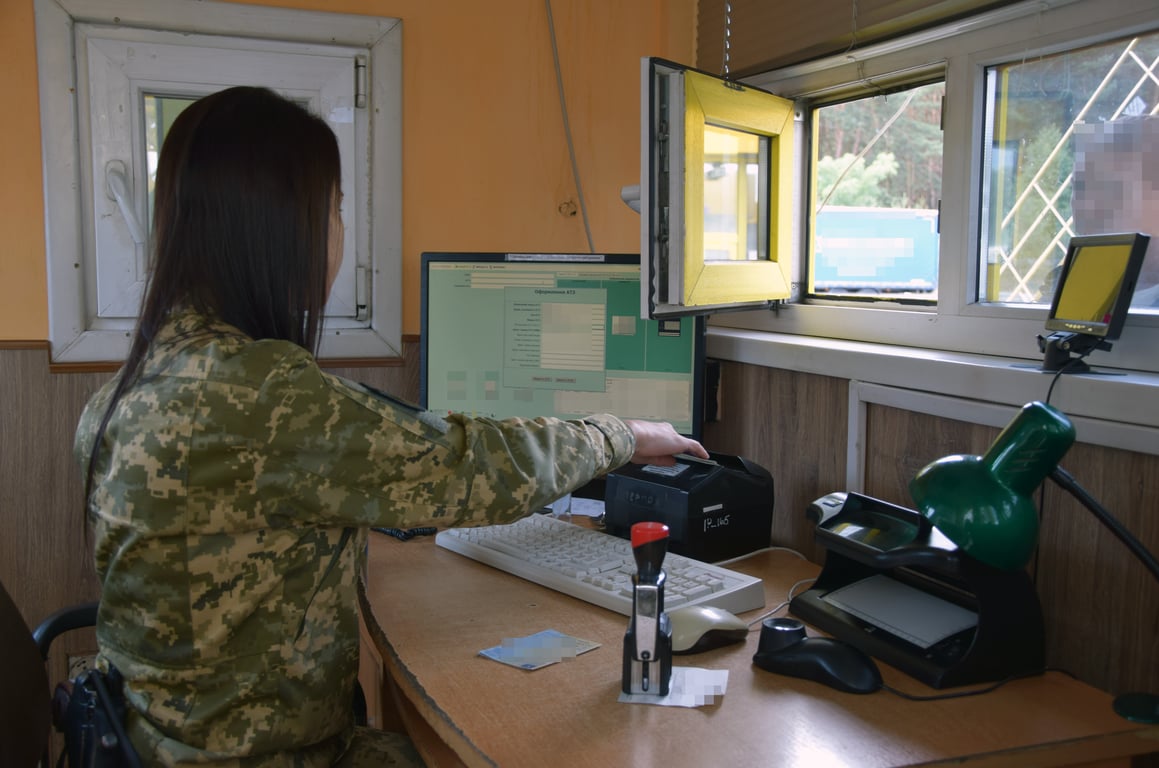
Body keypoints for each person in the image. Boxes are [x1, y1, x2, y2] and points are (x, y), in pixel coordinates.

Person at [74, 86, 708, 767]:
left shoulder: (133, 385)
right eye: (335, 209)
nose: (339, 233)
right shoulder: (262, 397)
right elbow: (471, 465)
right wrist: (619, 435)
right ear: (283, 227)